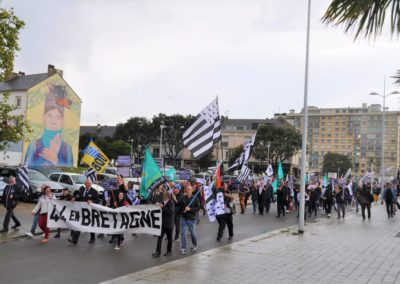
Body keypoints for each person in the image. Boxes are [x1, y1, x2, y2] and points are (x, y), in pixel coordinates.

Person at [24, 84, 73, 166]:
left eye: (58, 117)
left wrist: (55, 160)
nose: (53, 121)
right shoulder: (34, 145)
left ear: (63, 121)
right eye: (49, 115)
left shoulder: (66, 148)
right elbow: (26, 167)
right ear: (43, 118)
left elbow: (70, 171)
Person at [68, 179, 99, 244]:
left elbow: (98, 200)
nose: (87, 185)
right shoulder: (81, 190)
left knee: (90, 225)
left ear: (90, 184)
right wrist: (74, 198)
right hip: (81, 210)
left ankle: (92, 238)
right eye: (86, 184)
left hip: (89, 211)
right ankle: (75, 240)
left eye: (88, 184)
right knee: (78, 224)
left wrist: (92, 201)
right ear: (84, 184)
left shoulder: (94, 191)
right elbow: (78, 196)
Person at [177, 185, 200, 255]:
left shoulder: (195, 198)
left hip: (192, 218)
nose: (187, 191)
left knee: (192, 233)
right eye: (186, 189)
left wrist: (190, 209)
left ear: (192, 190)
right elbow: (178, 205)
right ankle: (183, 248)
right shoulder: (183, 198)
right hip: (184, 218)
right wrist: (175, 200)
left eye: (189, 189)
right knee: (183, 233)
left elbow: (198, 208)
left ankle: (195, 244)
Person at [152, 191, 175, 257]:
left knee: (169, 238)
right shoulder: (162, 202)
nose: (163, 197)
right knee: (159, 238)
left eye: (164, 195)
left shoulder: (171, 203)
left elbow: (170, 212)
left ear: (167, 196)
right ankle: (158, 251)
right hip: (162, 224)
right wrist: (157, 205)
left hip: (169, 224)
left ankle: (169, 251)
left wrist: (162, 207)